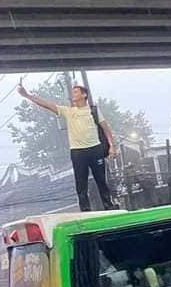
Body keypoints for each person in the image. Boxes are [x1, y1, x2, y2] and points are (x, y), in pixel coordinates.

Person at [17, 81, 116, 212]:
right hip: (77, 152)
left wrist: (111, 146)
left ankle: (109, 206)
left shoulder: (94, 110)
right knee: (81, 184)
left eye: (76, 91)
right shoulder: (68, 112)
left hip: (95, 149)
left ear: (84, 94)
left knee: (101, 181)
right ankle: (85, 210)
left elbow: (106, 129)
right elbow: (47, 105)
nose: (73, 94)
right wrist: (27, 95)